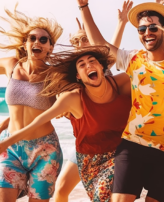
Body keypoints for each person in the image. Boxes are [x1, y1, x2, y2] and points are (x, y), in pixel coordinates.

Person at [77, 0, 164, 201]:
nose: (147, 32)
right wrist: (84, 7)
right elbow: (100, 45)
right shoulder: (133, 59)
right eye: (142, 28)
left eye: (153, 27)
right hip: (134, 144)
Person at [0, 46, 132, 201]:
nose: (88, 65)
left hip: (120, 152)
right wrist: (7, 141)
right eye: (82, 64)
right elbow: (38, 120)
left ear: (102, 66)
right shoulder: (73, 98)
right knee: (95, 196)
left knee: (111, 195)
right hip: (89, 158)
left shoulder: (121, 83)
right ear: (77, 75)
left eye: (92, 61)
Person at [53, 2, 132, 201]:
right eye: (76, 42)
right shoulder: (76, 73)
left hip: (112, 143)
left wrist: (121, 23)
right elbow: (62, 95)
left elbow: (110, 44)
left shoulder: (102, 64)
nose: (80, 44)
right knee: (61, 188)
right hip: (86, 145)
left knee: (104, 193)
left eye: (84, 39)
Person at [0, 6, 63, 202]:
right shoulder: (11, 65)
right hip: (10, 146)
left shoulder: (55, 76)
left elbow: (70, 99)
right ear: (25, 44)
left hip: (45, 151)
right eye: (32, 38)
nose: (37, 42)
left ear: (50, 47)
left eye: (43, 40)